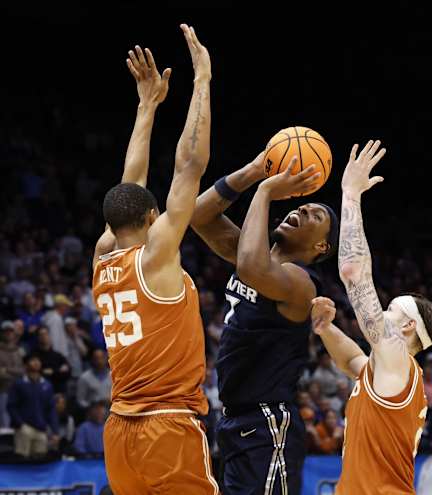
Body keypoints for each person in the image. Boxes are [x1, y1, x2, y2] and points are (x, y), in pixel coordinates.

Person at [91, 29, 218, 495]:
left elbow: (130, 185)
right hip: (166, 425)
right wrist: (202, 79)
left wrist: (147, 107)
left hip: (119, 429)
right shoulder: (155, 257)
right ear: (151, 216)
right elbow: (189, 167)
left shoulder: (104, 256)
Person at [191, 119, 338, 494]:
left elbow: (251, 267)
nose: (303, 211)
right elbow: (197, 216)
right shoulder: (251, 254)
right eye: (303, 206)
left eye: (315, 216)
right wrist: (254, 171)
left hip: (268, 423)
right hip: (236, 423)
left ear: (321, 247)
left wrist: (267, 190)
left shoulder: (301, 284)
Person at [310, 141, 432, 494]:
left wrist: (350, 194)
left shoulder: (397, 358)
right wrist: (326, 329)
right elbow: (351, 361)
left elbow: (354, 273)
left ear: (407, 327)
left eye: (391, 310)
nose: (381, 312)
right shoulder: (393, 373)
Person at [7, 354, 58, 458]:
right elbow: (11, 406)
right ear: (25, 365)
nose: (36, 363)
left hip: (41, 429)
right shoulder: (18, 384)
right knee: (21, 460)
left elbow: (51, 409)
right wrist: (20, 424)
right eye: (32, 360)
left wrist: (55, 431)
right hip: (24, 428)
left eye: (38, 360)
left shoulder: (47, 385)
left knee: (40, 461)